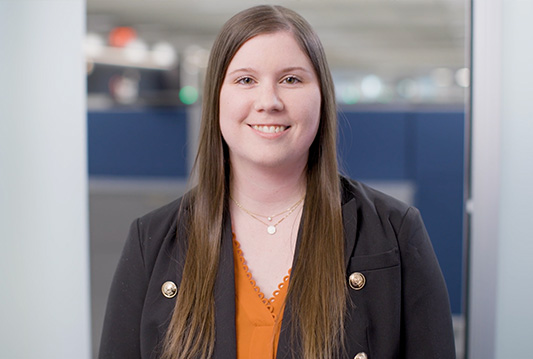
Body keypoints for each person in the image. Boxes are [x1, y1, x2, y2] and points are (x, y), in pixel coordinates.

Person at [99, 5, 455, 359]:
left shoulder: (393, 231)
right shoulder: (153, 241)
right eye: (245, 80)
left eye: (291, 79)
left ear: (322, 97)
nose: (268, 102)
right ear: (217, 98)